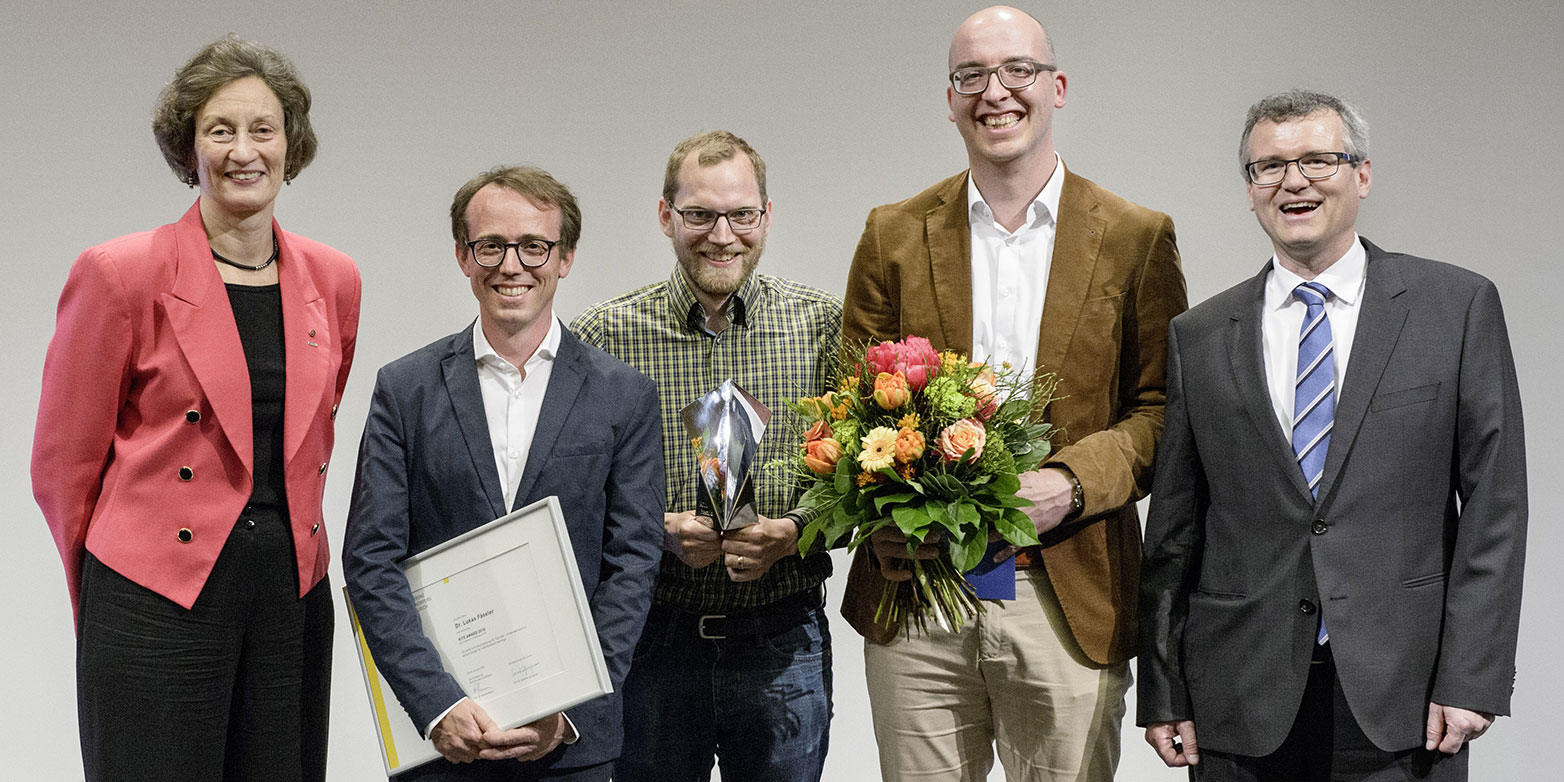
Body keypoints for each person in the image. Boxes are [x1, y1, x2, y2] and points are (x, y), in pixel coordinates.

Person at [1138, 89, 1527, 781]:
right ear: (1250, 190)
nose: (1294, 182)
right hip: (1237, 697)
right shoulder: (1199, 336)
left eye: (1319, 160)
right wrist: (1163, 689)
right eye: (1269, 167)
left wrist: (1472, 677)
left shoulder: (1455, 306)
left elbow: (1495, 509)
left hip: (1403, 699)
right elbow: (1174, 533)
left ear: (1363, 175)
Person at [840, 6, 1187, 780]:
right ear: (951, 98)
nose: (995, 92)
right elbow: (850, 405)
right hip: (919, 589)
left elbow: (1166, 411)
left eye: (1017, 71)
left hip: (1066, 593)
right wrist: (886, 511)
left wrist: (1068, 484)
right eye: (971, 76)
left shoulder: (1135, 236)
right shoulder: (892, 234)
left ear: (1056, 86)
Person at [30, 36, 360, 781]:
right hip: (154, 597)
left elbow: (309, 434)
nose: (244, 151)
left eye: (262, 130)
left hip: (289, 592)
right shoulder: (122, 273)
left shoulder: (334, 279)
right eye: (221, 130)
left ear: (291, 144)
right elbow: (62, 463)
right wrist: (112, 591)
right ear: (189, 147)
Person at [342, 165, 664, 782]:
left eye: (534, 246)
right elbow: (371, 559)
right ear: (464, 256)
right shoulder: (404, 389)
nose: (511, 265)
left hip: (572, 747)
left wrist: (568, 708)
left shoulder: (624, 396)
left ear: (565, 258)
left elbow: (633, 563)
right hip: (443, 745)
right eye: (491, 245)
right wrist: (437, 705)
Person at [571, 130, 841, 782]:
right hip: (652, 639)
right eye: (700, 215)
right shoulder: (602, 337)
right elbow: (568, 493)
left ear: (767, 216)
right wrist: (655, 530)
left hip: (782, 638)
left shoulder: (824, 328)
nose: (723, 235)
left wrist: (795, 532)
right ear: (666, 216)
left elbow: (869, 483)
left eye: (741, 214)